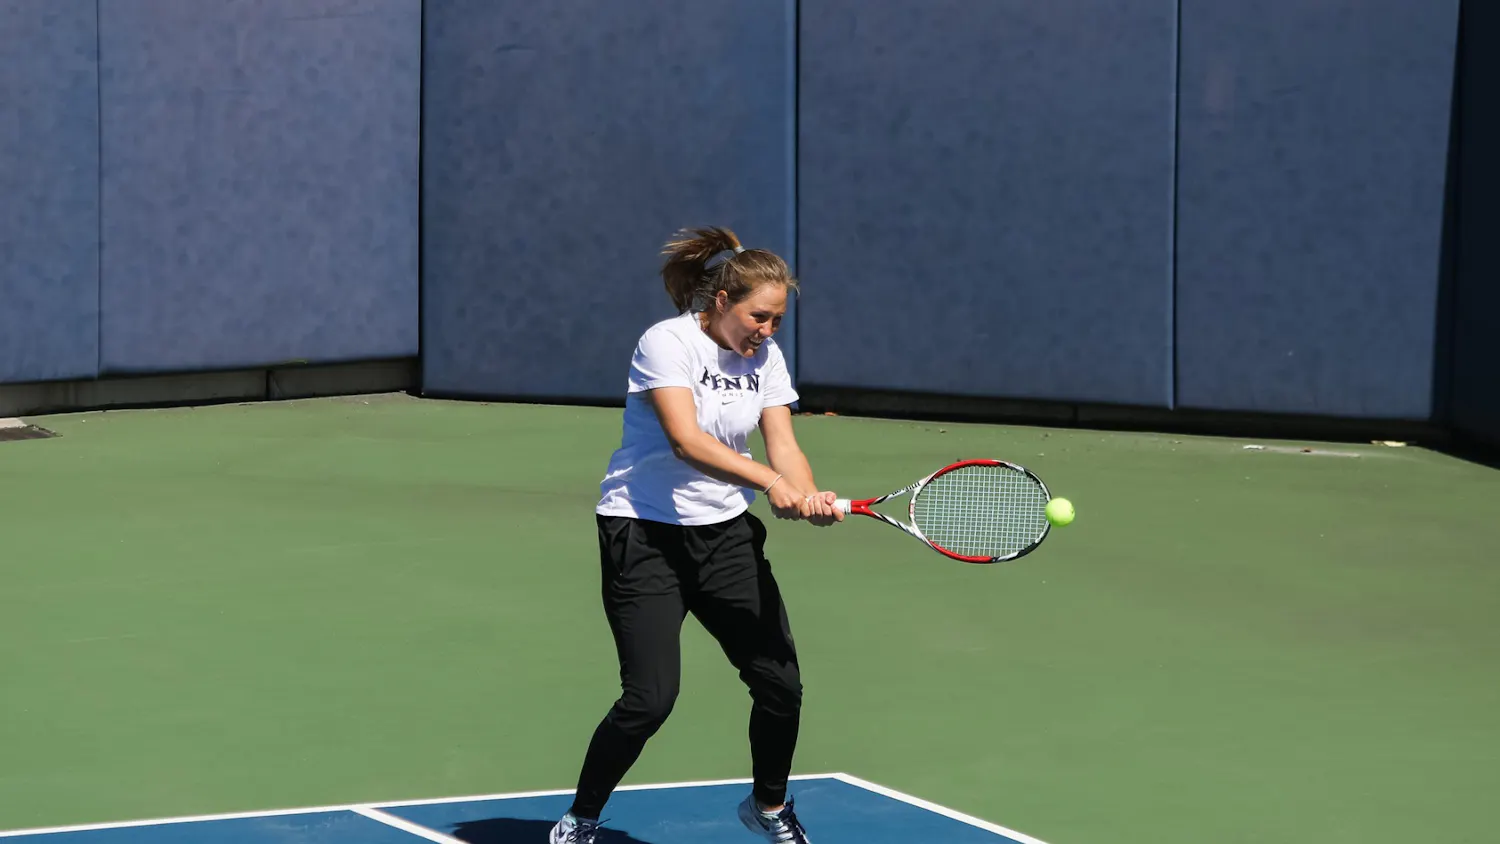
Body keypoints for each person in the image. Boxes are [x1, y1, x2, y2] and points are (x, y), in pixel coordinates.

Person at [549, 226, 841, 844]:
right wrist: (770, 482)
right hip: (644, 533)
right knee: (650, 699)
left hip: (725, 536)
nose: (767, 331)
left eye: (778, 321)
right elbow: (687, 441)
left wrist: (806, 493)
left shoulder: (766, 358)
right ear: (720, 302)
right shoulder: (666, 342)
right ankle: (580, 819)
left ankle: (767, 807)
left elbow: (782, 441)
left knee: (780, 684)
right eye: (759, 317)